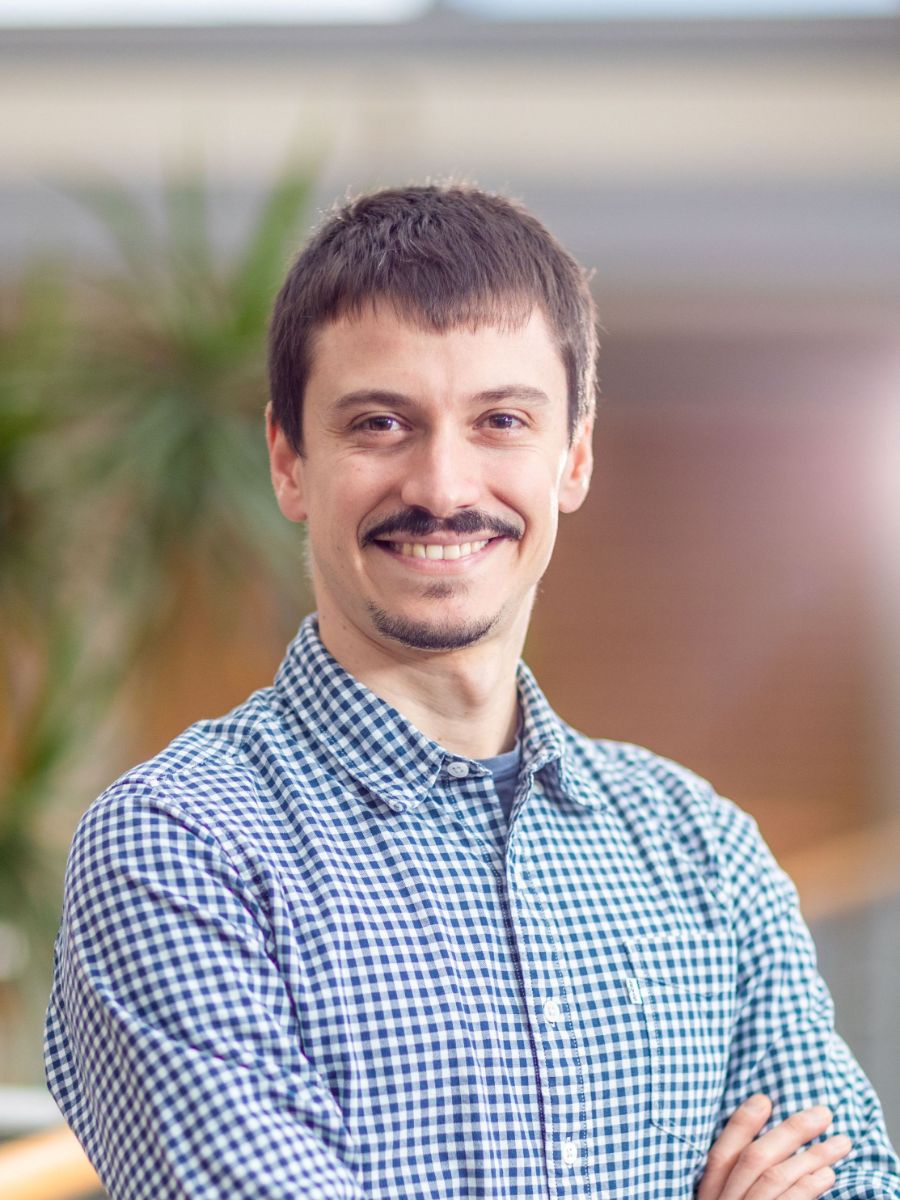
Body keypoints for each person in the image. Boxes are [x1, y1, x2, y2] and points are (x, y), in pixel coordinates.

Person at [45, 184, 899, 1200]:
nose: (444, 486)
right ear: (289, 462)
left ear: (572, 456)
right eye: (379, 424)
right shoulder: (177, 847)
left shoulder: (702, 850)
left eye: (501, 419)